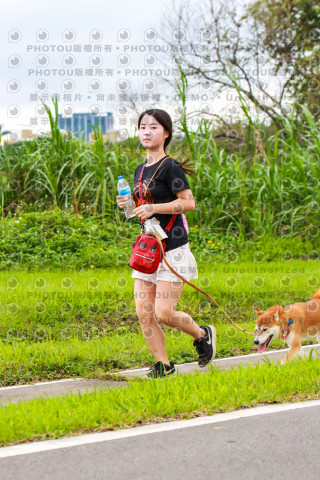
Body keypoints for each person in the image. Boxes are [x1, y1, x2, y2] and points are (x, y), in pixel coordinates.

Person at [117, 108, 216, 378]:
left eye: (153, 127)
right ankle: (165, 365)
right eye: (142, 127)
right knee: (144, 313)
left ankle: (202, 335)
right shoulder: (140, 170)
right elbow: (142, 208)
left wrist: (152, 207)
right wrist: (129, 205)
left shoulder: (170, 166)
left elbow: (188, 202)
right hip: (148, 251)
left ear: (166, 133)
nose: (147, 131)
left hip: (173, 249)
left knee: (163, 312)